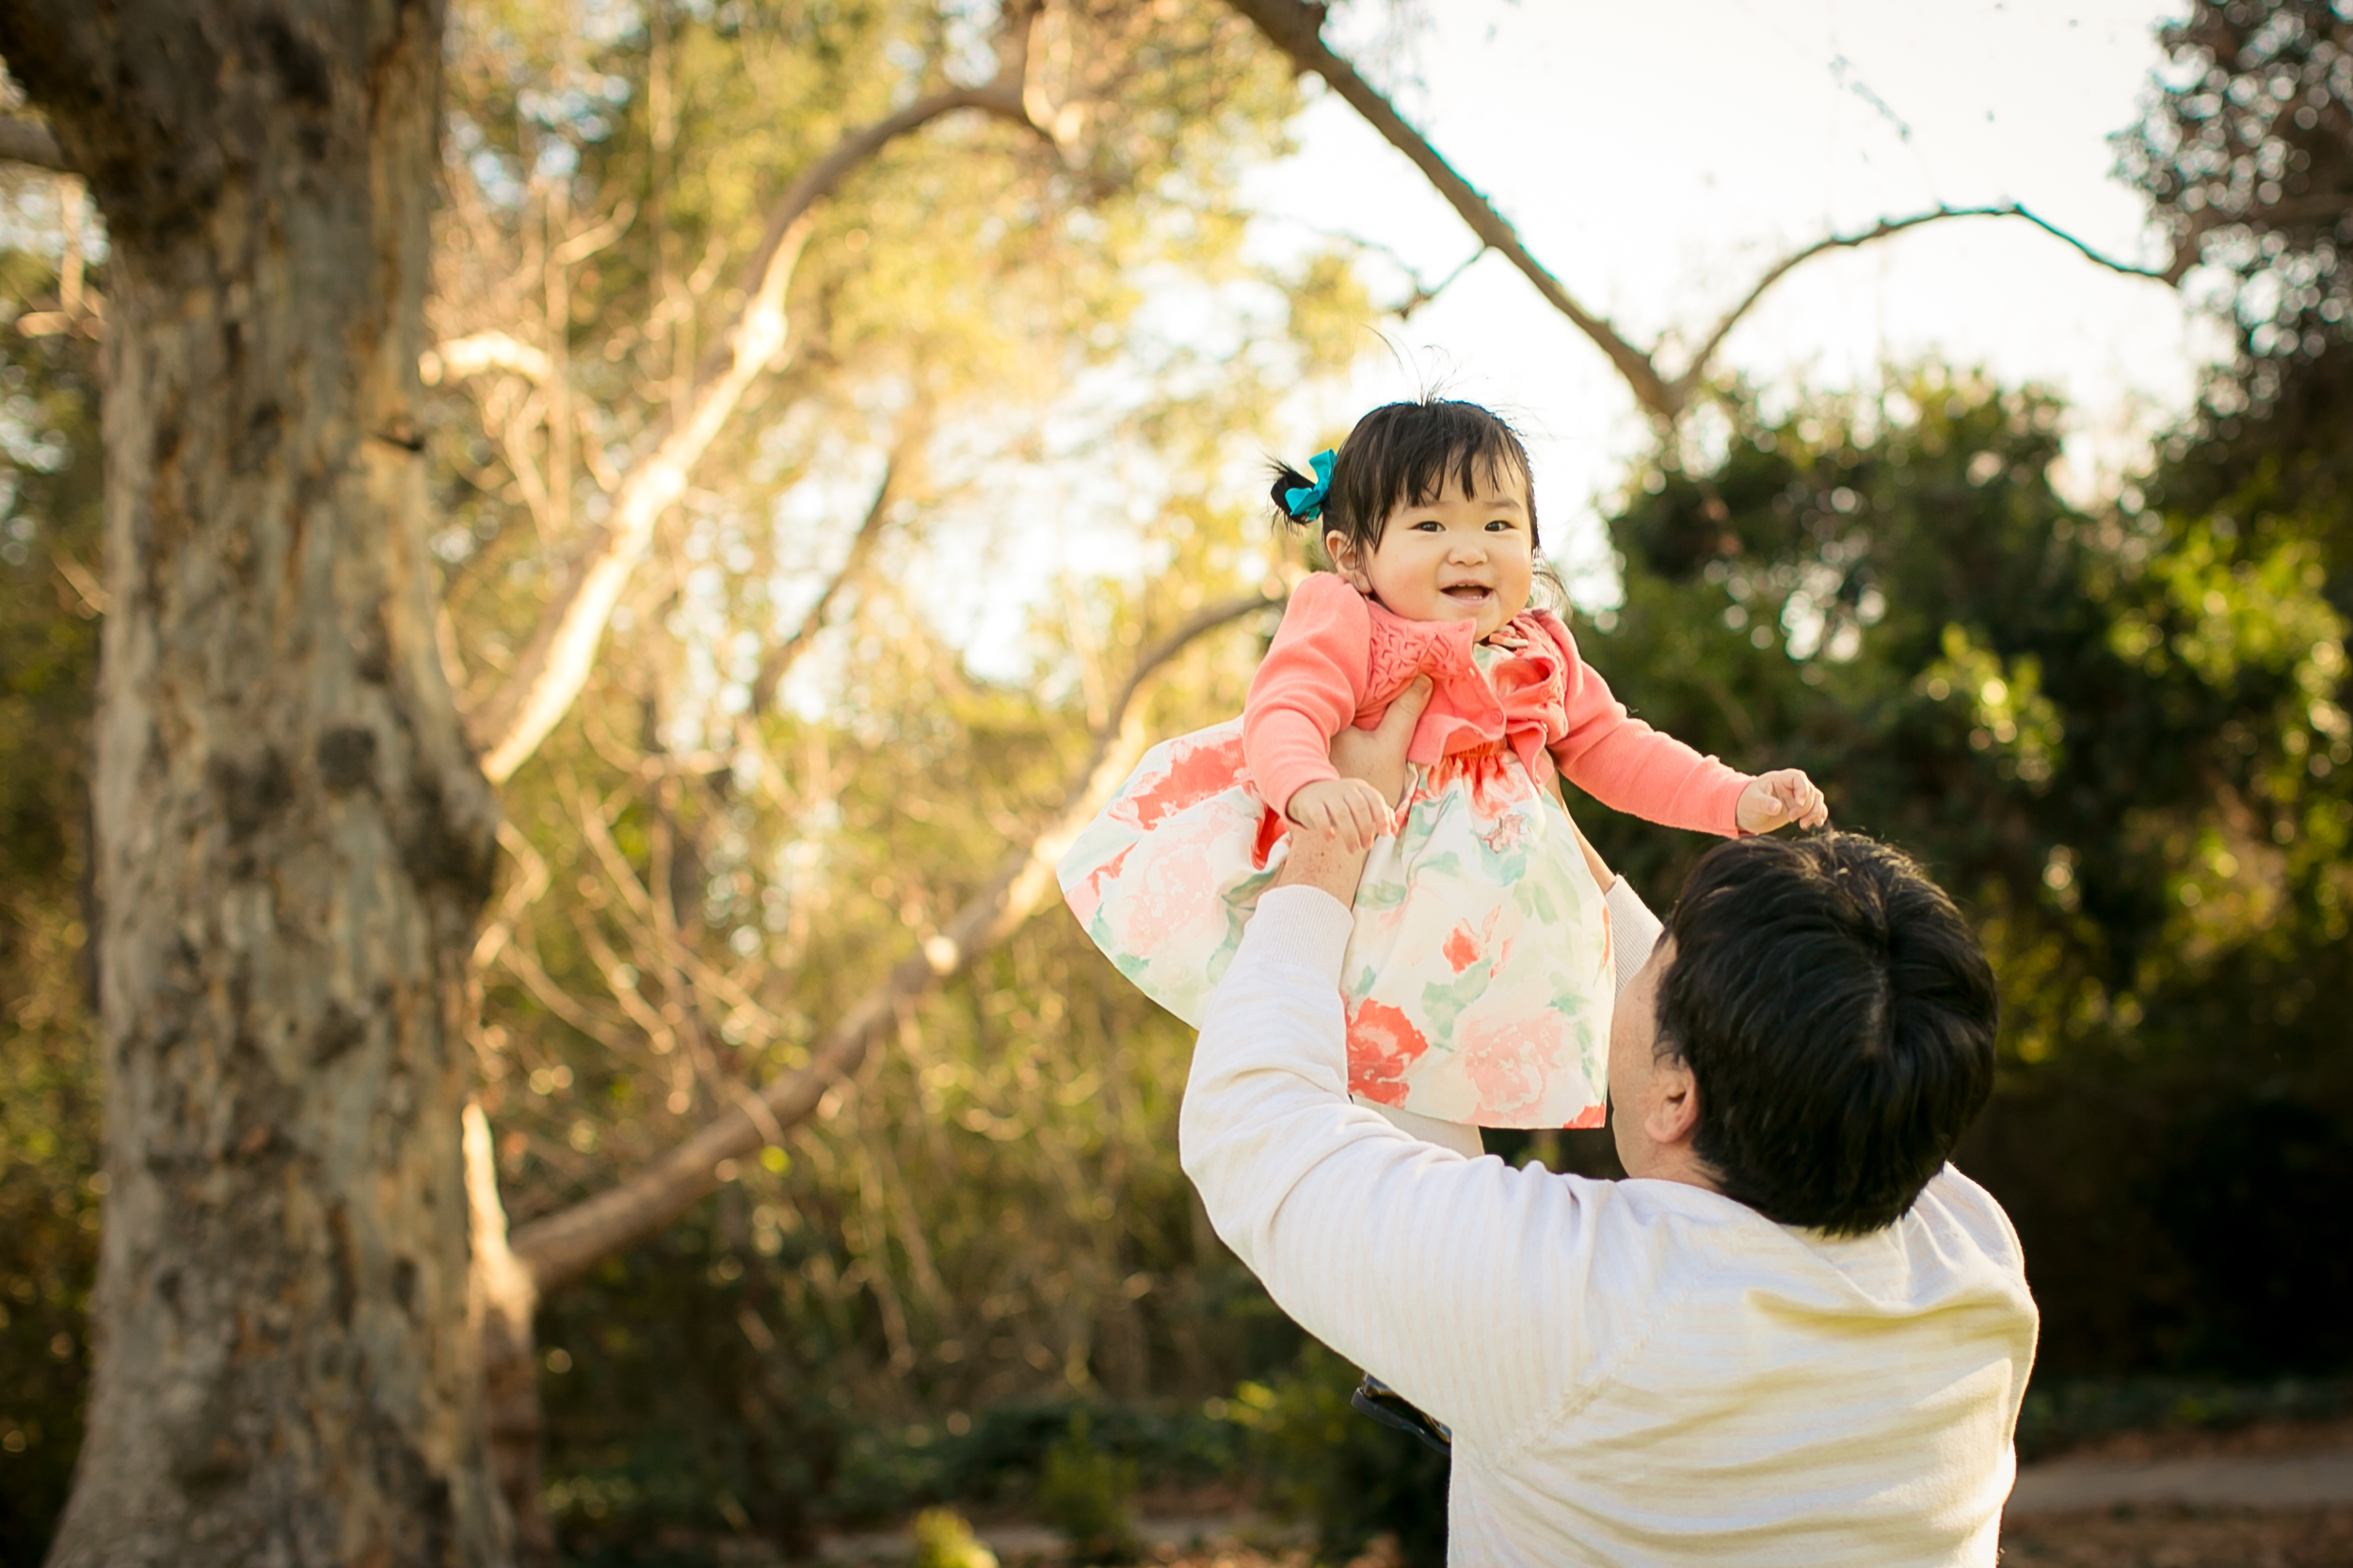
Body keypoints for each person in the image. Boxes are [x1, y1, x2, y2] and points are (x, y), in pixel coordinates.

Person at [1178, 683, 2038, 1566]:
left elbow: (1253, 1124)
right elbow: (1769, 1035)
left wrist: (1331, 838)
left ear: (1678, 1098)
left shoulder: (1566, 1310)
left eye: (1649, 966)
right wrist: (1537, 821)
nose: (1625, 975)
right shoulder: (1971, 1260)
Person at [1061, 396, 1827, 1156]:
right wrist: (1308, 785)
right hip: (1383, 897)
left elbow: (1618, 746)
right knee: (1410, 1122)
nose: (1470, 548)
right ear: (1352, 555)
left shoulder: (1541, 648)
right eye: (1430, 525)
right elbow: (1284, 708)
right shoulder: (1348, 620)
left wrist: (1733, 797)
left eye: (1499, 524)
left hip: (1488, 927)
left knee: (1621, 1054)